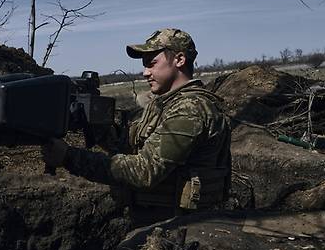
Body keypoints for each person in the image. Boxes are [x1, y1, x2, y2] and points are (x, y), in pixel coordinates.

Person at [41, 28, 231, 227]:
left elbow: (145, 171)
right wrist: (96, 125)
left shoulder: (190, 109)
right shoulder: (165, 104)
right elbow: (129, 144)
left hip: (182, 226)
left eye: (152, 63)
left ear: (180, 59)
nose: (145, 72)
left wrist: (69, 157)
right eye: (144, 65)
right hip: (161, 219)